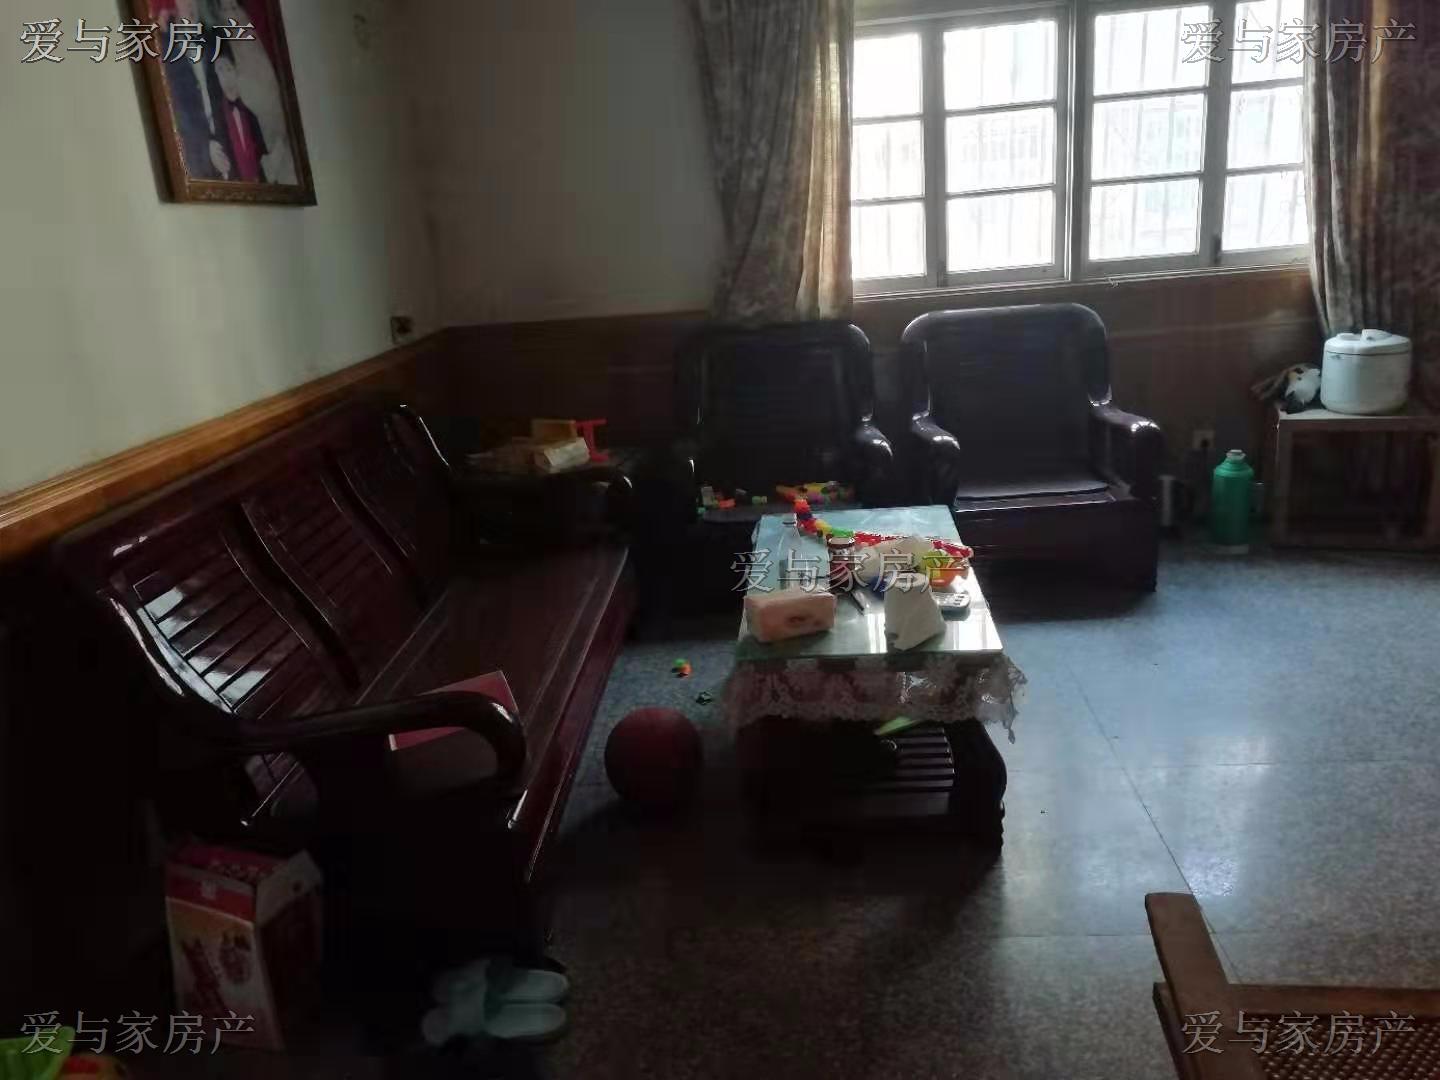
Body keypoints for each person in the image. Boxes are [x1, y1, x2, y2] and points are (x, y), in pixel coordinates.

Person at [213, 43, 268, 183]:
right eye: (220, 71)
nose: (225, 76)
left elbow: (263, 154)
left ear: (236, 71)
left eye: (228, 69)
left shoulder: (251, 112)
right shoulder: (216, 118)